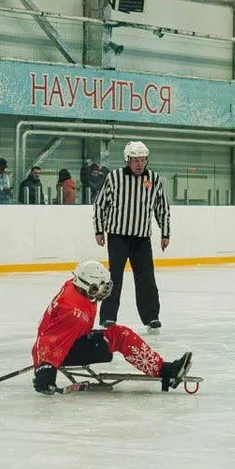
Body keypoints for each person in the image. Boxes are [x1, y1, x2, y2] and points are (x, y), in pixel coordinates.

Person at [32, 260, 192, 395]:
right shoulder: (74, 314)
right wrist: (46, 369)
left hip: (71, 340)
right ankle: (166, 372)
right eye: (101, 285)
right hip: (61, 352)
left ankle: (162, 368)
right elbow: (52, 341)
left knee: (120, 335)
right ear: (89, 285)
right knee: (120, 336)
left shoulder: (74, 286)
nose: (105, 289)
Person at [93, 141, 169, 331]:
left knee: (146, 279)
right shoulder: (114, 177)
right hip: (118, 237)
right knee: (114, 278)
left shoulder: (154, 178)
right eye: (135, 160)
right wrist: (99, 230)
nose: (139, 164)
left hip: (142, 239)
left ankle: (151, 317)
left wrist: (165, 233)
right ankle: (108, 317)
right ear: (128, 160)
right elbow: (101, 204)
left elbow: (162, 208)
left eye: (143, 160)